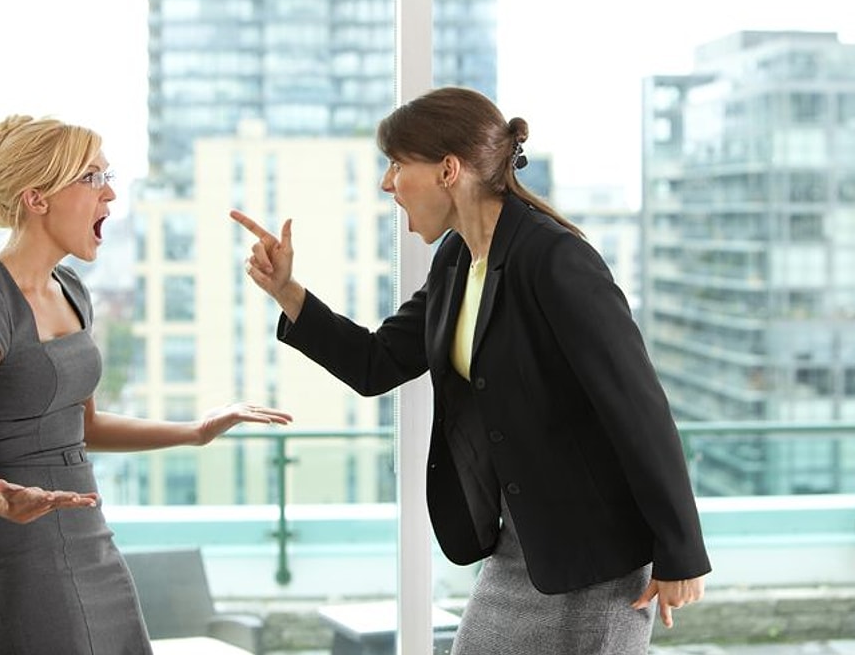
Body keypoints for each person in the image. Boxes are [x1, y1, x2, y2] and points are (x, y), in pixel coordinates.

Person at [231, 86, 710, 654]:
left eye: (397, 165)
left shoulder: (554, 258)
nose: (388, 184)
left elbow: (637, 406)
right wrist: (287, 292)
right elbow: (377, 362)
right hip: (520, 547)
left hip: (595, 556)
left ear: (448, 170)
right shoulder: (457, 260)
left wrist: (681, 551)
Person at [0, 115, 293, 655]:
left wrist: (196, 430)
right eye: (92, 178)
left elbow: (85, 425)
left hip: (88, 533)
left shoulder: (72, 288)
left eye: (108, 175)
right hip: (18, 548)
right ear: (37, 198)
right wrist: (2, 499)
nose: (110, 194)